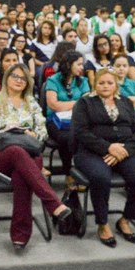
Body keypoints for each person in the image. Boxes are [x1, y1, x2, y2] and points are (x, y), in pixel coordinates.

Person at [0, 63, 71, 250]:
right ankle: (53, 203)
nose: (19, 80)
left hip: (28, 153)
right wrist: (5, 132)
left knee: (22, 173)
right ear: (6, 79)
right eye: (15, 76)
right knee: (16, 152)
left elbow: (43, 132)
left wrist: (34, 135)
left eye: (23, 78)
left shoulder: (32, 104)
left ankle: (20, 235)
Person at [72, 68, 135, 247]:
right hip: (91, 152)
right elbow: (81, 132)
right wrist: (108, 147)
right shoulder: (84, 103)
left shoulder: (125, 102)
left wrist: (124, 150)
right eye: (101, 83)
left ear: (116, 85)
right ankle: (102, 223)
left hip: (123, 151)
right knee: (101, 178)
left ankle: (126, 219)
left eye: (109, 83)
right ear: (95, 84)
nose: (105, 86)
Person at [45, 50, 90, 184]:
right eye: (79, 64)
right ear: (69, 65)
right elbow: (53, 105)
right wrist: (77, 103)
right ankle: (68, 172)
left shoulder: (83, 81)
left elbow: (86, 103)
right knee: (65, 138)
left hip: (77, 120)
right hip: (56, 121)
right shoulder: (53, 80)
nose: (82, 68)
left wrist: (68, 105)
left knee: (88, 135)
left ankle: (83, 170)